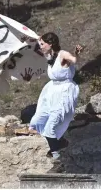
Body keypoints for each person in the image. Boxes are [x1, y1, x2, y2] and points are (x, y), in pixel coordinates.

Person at [29, 32, 82, 173]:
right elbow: (34, 48)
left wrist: (76, 52)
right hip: (51, 92)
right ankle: (60, 142)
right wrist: (27, 38)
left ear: (50, 43)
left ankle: (57, 160)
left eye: (42, 44)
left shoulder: (63, 54)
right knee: (37, 121)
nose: (40, 46)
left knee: (50, 126)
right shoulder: (49, 56)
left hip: (64, 93)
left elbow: (74, 60)